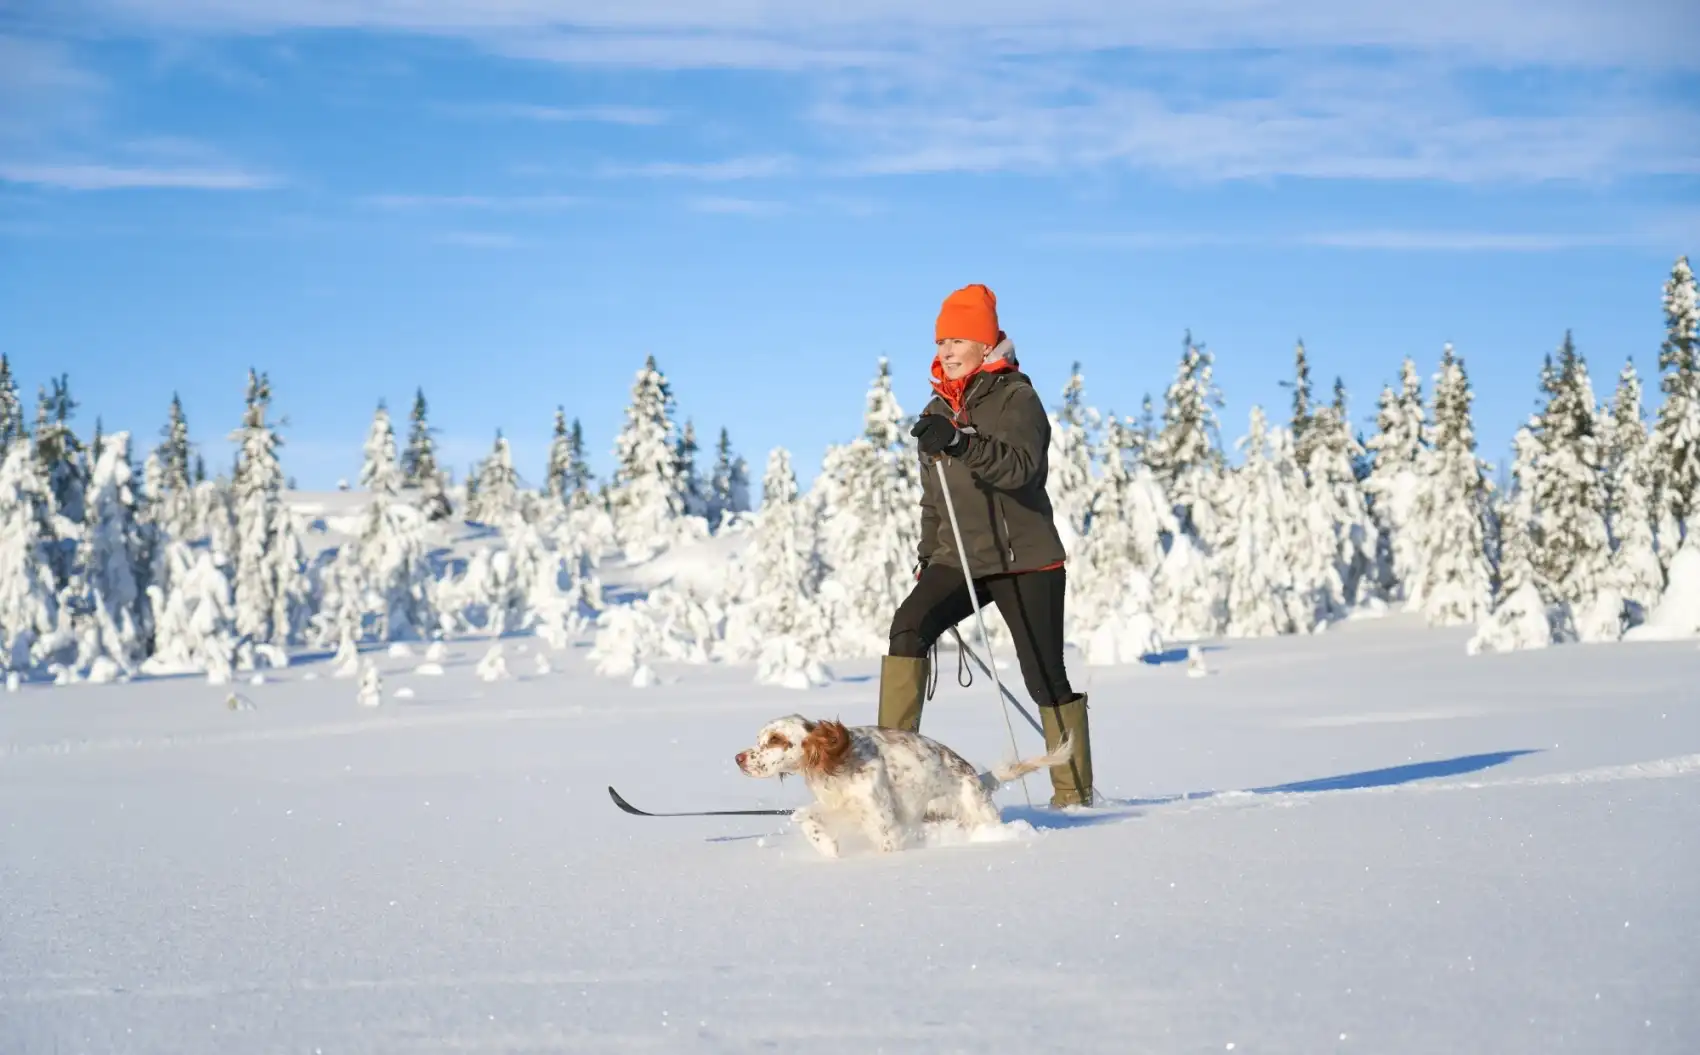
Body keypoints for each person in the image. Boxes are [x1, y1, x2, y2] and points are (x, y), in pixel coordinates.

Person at [875, 282, 1095, 808]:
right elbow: (935, 499)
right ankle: (890, 781)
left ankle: (1073, 791)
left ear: (983, 343)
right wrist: (929, 557)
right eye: (940, 342)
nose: (944, 351)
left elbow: (1022, 470)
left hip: (1025, 562)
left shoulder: (1017, 396)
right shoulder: (936, 408)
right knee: (908, 629)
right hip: (959, 559)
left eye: (955, 340)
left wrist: (959, 441)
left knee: (1044, 675)